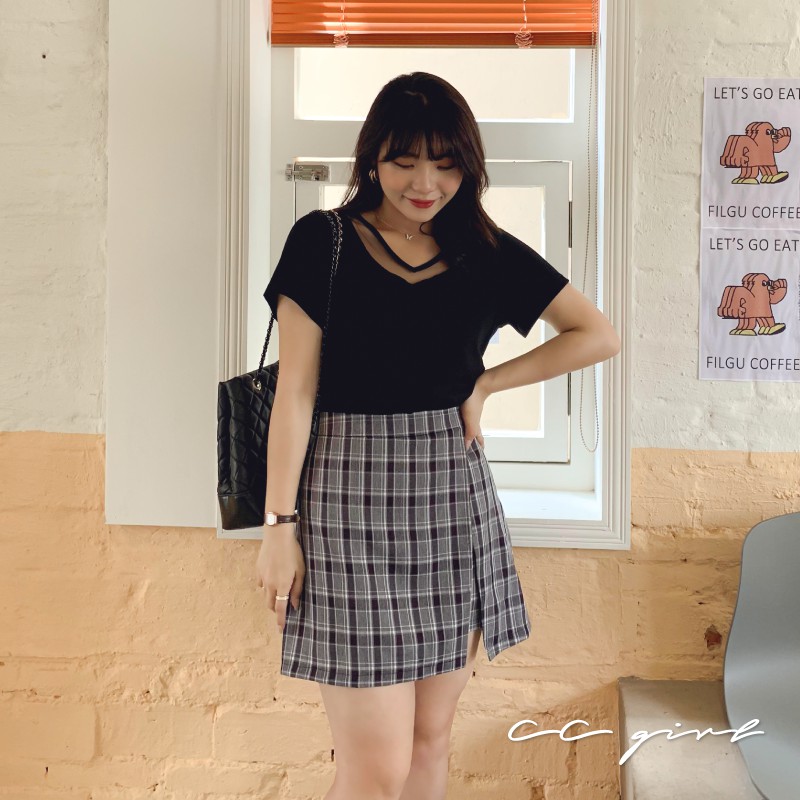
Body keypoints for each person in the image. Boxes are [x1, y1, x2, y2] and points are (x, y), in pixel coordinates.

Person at [256, 72, 620, 800]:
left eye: (445, 163)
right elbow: (294, 393)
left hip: (451, 505)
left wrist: (486, 385)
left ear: (467, 165)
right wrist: (278, 528)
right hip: (346, 511)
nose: (425, 183)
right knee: (375, 766)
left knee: (429, 744)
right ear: (372, 158)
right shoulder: (322, 242)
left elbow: (597, 334)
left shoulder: (484, 250)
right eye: (404, 161)